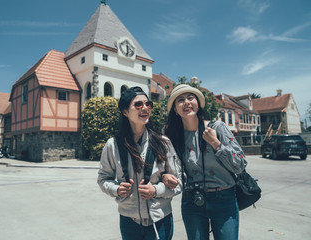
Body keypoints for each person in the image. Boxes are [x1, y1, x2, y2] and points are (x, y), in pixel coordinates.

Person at [162, 84, 247, 240]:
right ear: (175, 109)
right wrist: (165, 176)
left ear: (198, 104)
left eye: (190, 97)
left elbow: (240, 165)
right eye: (180, 100)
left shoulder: (217, 128)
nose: (186, 102)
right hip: (192, 200)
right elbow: (166, 168)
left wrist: (216, 144)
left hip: (224, 198)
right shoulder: (173, 137)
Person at [97, 86, 182, 240]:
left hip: (160, 221)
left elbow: (180, 182)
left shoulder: (163, 143)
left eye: (148, 104)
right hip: (129, 222)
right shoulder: (112, 145)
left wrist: (156, 190)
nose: (145, 108)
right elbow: (103, 179)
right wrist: (116, 188)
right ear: (125, 112)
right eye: (138, 105)